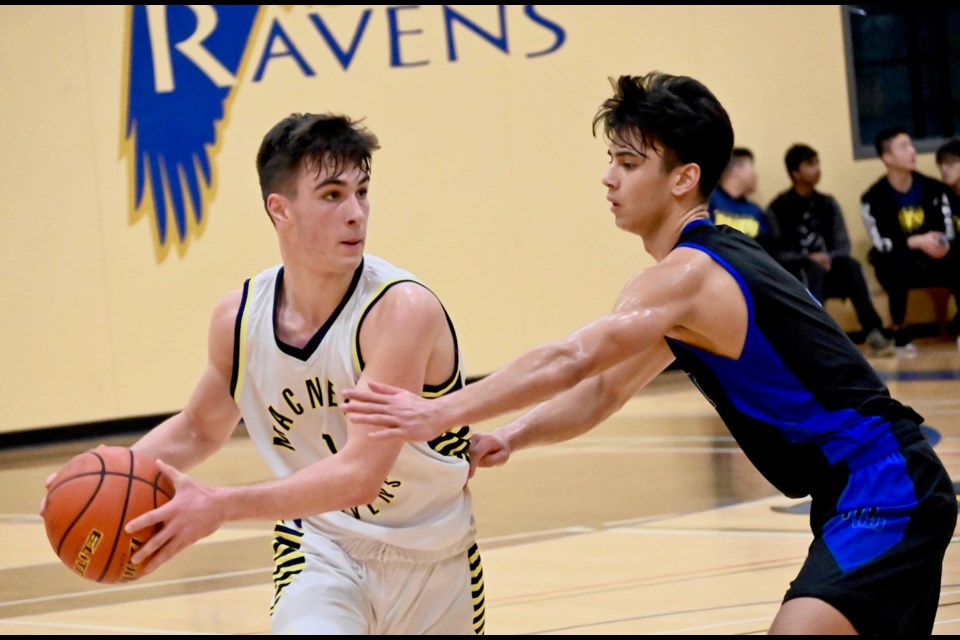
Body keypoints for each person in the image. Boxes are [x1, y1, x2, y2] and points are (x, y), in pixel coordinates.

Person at [340, 72, 957, 636]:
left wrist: (437, 414)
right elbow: (603, 391)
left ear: (684, 177)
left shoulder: (688, 274)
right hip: (863, 488)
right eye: (611, 159)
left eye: (629, 162)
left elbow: (568, 360)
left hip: (883, 483)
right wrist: (514, 436)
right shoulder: (689, 286)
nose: (609, 177)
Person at [44, 114, 485, 635]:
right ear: (280, 209)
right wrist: (107, 471)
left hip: (437, 559)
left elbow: (361, 475)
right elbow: (198, 429)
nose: (356, 214)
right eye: (332, 195)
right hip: (322, 549)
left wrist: (220, 505)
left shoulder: (399, 310)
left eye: (362, 192)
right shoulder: (240, 320)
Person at [766, 144, 894, 357]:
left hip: (831, 268)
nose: (817, 169)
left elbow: (843, 245)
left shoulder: (827, 203)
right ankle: (816, 338)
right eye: (810, 164)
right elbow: (776, 252)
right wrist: (808, 258)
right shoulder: (778, 208)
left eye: (817, 163)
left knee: (851, 266)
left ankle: (873, 330)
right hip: (798, 273)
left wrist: (827, 258)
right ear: (795, 173)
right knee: (812, 269)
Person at [860, 126, 960, 354]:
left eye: (912, 145)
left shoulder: (933, 188)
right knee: (893, 261)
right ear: (887, 157)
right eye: (904, 147)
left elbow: (947, 229)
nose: (912, 151)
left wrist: (941, 243)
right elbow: (881, 242)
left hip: (932, 259)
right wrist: (916, 241)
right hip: (899, 260)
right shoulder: (873, 198)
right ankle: (900, 332)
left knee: (956, 254)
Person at [708, 147, 773, 251]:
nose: (755, 174)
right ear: (736, 169)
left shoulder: (755, 210)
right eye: (752, 167)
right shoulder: (708, 201)